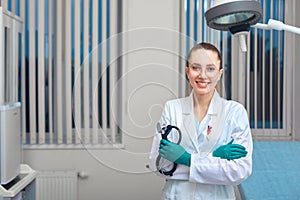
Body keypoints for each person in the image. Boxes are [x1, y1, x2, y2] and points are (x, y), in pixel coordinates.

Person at [149, 42, 252, 200]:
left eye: (210, 69)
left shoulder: (234, 112)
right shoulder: (172, 109)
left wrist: (186, 159)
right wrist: (215, 156)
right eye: (196, 67)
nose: (202, 75)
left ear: (220, 73)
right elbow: (160, 166)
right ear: (187, 71)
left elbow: (239, 171)